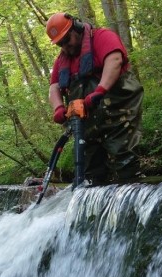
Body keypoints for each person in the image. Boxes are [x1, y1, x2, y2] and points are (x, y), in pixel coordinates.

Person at [46, 12, 144, 185]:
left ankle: (132, 195)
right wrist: (59, 108)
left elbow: (114, 60)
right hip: (87, 122)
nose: (65, 47)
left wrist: (100, 90)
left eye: (67, 40)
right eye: (60, 44)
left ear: (75, 28)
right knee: (89, 173)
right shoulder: (61, 61)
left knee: (123, 158)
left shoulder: (102, 37)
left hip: (117, 110)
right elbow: (54, 87)